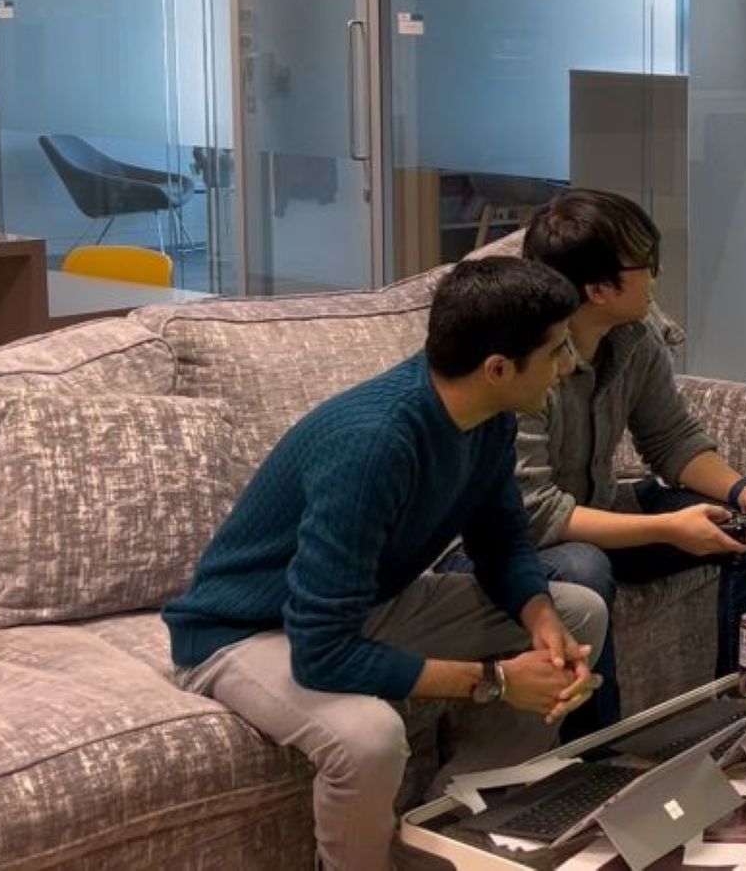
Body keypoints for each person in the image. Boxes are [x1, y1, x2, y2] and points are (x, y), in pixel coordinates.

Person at [164, 258, 602, 871]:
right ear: (498, 369)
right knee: (369, 737)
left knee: (579, 614)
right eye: (557, 351)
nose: (569, 366)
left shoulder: (491, 418)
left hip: (358, 605)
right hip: (243, 631)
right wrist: (497, 679)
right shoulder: (375, 446)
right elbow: (322, 652)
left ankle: (457, 837)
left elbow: (502, 542)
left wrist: (541, 620)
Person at [441, 190, 746, 740]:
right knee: (584, 568)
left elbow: (672, 439)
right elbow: (535, 516)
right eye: (645, 266)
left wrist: (740, 490)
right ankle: (596, 755)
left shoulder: (633, 337)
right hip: (500, 546)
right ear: (599, 290)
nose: (654, 277)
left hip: (595, 509)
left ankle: (741, 710)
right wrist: (667, 528)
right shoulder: (525, 366)